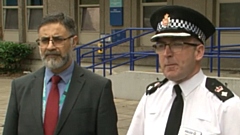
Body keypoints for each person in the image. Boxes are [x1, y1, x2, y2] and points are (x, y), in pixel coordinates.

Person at [127, 5, 240, 135]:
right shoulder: (152, 97)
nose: (166, 53)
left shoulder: (225, 107)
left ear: (198, 52)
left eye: (177, 45)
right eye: (161, 46)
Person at [3, 12, 118, 135]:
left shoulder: (98, 88)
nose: (50, 47)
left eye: (58, 40)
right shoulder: (20, 87)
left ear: (74, 42)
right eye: (45, 40)